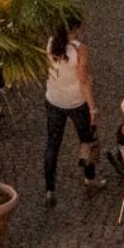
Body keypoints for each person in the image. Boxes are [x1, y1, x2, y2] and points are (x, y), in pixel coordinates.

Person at [42, 15, 101, 206]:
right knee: (87, 140)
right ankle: (89, 178)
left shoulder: (51, 44)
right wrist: (93, 108)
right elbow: (83, 81)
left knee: (53, 144)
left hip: (54, 99)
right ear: (73, 30)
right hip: (77, 103)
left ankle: (50, 189)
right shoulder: (80, 50)